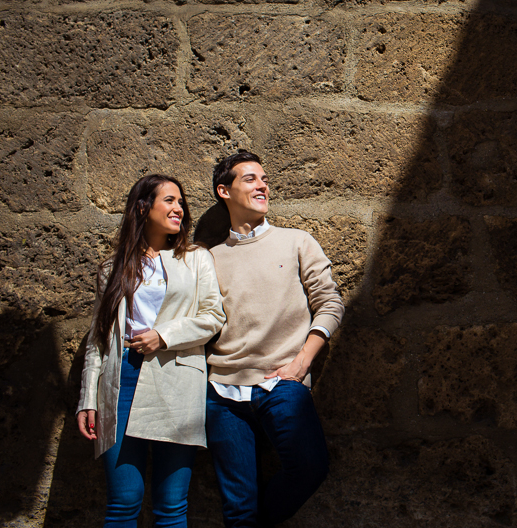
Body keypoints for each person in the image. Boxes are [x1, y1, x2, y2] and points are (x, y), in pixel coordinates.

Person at [205, 150, 344, 528]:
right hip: (221, 392)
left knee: (310, 468)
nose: (262, 185)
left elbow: (330, 303)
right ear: (224, 191)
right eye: (249, 179)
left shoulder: (297, 241)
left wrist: (302, 362)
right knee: (237, 508)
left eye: (264, 178)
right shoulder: (209, 257)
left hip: (282, 383)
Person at [76, 174, 225, 528]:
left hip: (176, 379)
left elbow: (213, 316)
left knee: (172, 505)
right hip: (122, 381)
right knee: (123, 502)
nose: (179, 208)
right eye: (169, 200)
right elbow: (98, 339)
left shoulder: (196, 260)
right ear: (143, 207)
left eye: (180, 202)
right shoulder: (111, 269)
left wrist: (163, 335)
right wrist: (88, 398)